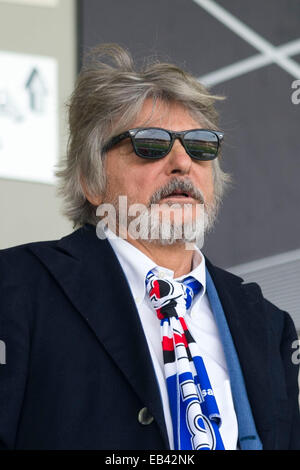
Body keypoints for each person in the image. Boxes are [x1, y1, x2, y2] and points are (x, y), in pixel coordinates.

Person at [0, 43, 299, 451]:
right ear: (91, 180)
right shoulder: (16, 288)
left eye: (201, 145)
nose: (182, 162)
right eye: (151, 144)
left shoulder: (269, 326)